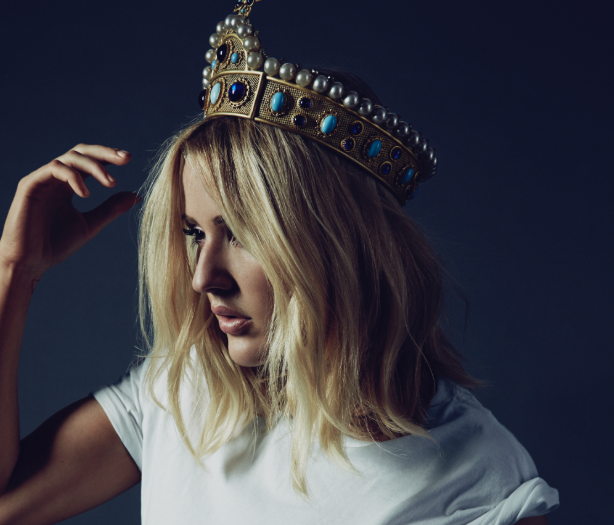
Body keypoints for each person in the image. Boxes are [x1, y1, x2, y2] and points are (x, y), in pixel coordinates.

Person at [0, 2, 559, 524]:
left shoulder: (481, 481)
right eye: (194, 233)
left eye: (241, 234)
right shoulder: (186, 394)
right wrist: (14, 273)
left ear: (338, 244)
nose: (203, 278)